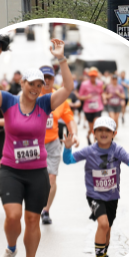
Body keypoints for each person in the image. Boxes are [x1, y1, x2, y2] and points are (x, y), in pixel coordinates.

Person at [0, 35, 72, 257]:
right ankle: (10, 249)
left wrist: (61, 60)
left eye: (40, 85)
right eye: (32, 84)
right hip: (11, 170)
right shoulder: (8, 101)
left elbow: (68, 88)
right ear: (23, 84)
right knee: (13, 215)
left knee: (31, 220)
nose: (36, 89)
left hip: (37, 172)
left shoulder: (45, 103)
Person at [60, 117, 129, 257]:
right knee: (103, 224)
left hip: (112, 196)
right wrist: (67, 149)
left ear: (114, 133)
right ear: (94, 133)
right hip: (94, 195)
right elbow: (68, 160)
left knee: (107, 228)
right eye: (100, 130)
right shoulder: (89, 150)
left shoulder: (117, 150)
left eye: (107, 130)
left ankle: (104, 254)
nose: (103, 133)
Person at [41, 67, 75, 225]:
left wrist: (74, 134)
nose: (47, 81)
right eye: (43, 78)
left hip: (53, 143)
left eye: (50, 78)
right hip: (33, 144)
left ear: (54, 79)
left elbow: (70, 119)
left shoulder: (59, 98)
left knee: (51, 177)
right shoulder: (31, 96)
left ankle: (46, 210)